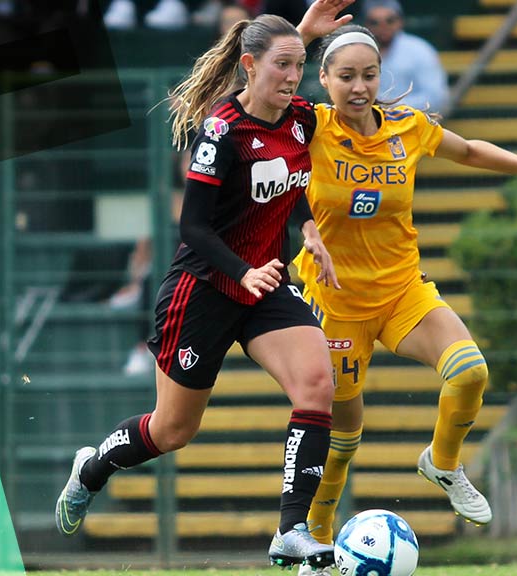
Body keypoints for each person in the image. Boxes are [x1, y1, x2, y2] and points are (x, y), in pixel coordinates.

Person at [55, 4, 357, 569]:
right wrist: (241, 269)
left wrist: (310, 226)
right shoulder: (222, 130)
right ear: (248, 65)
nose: (294, 78)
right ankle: (92, 468)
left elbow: (294, 185)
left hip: (265, 287)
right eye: (282, 67)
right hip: (203, 290)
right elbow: (191, 225)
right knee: (172, 430)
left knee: (318, 384)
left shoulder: (302, 120)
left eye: (299, 67)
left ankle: (292, 530)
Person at [290, 15, 517, 563]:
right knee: (342, 435)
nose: (360, 87)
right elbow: (249, 108)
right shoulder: (308, 126)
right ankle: (316, 540)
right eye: (347, 76)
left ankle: (443, 463)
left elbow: (470, 150)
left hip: (403, 290)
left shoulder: (406, 126)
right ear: (325, 81)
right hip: (336, 301)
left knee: (470, 370)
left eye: (370, 74)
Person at [362, 0, 447, 111]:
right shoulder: (359, 51)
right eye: (375, 22)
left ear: (400, 22)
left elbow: (436, 97)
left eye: (389, 21)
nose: (383, 27)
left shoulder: (420, 50)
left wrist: (392, 107)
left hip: (412, 122)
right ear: (366, 24)